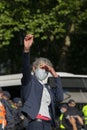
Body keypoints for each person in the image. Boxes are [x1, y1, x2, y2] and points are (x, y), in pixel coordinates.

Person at [21, 34, 64, 130]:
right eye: (41, 67)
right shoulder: (30, 81)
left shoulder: (47, 87)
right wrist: (26, 50)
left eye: (46, 69)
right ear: (34, 68)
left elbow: (60, 98)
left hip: (48, 123)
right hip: (35, 122)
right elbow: (25, 68)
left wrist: (55, 75)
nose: (44, 71)